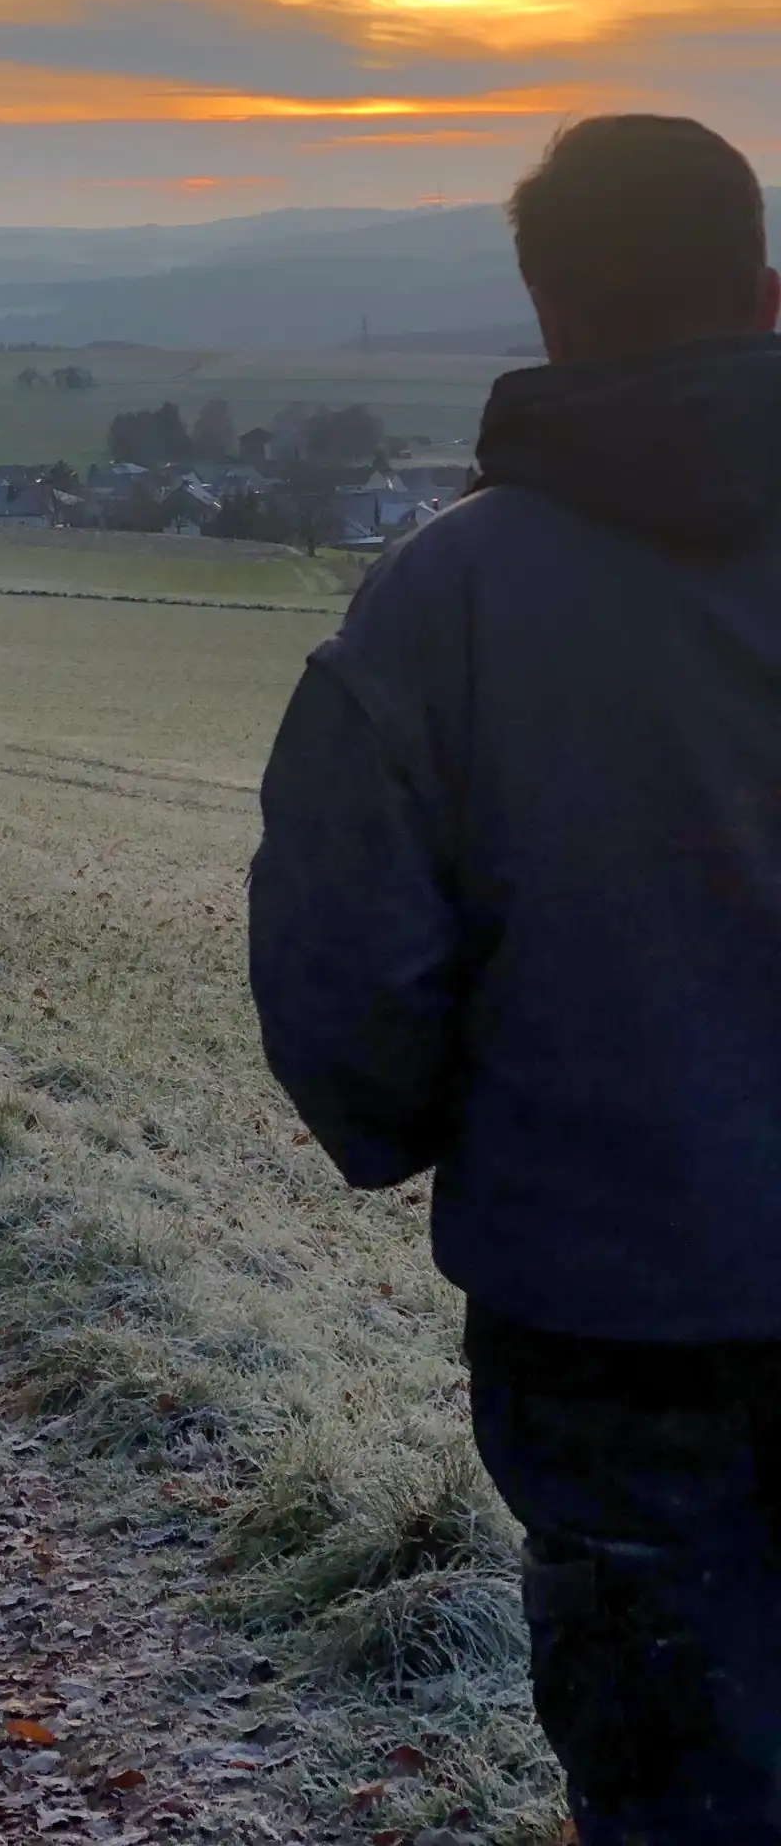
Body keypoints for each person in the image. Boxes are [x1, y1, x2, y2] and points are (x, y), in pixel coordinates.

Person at [248, 115, 781, 1843]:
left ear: (544, 310)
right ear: (768, 297)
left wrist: (457, 1127)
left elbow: (348, 982)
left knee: (677, 1778)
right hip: (612, 1293)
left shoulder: (439, 599)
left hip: (612, 1313)